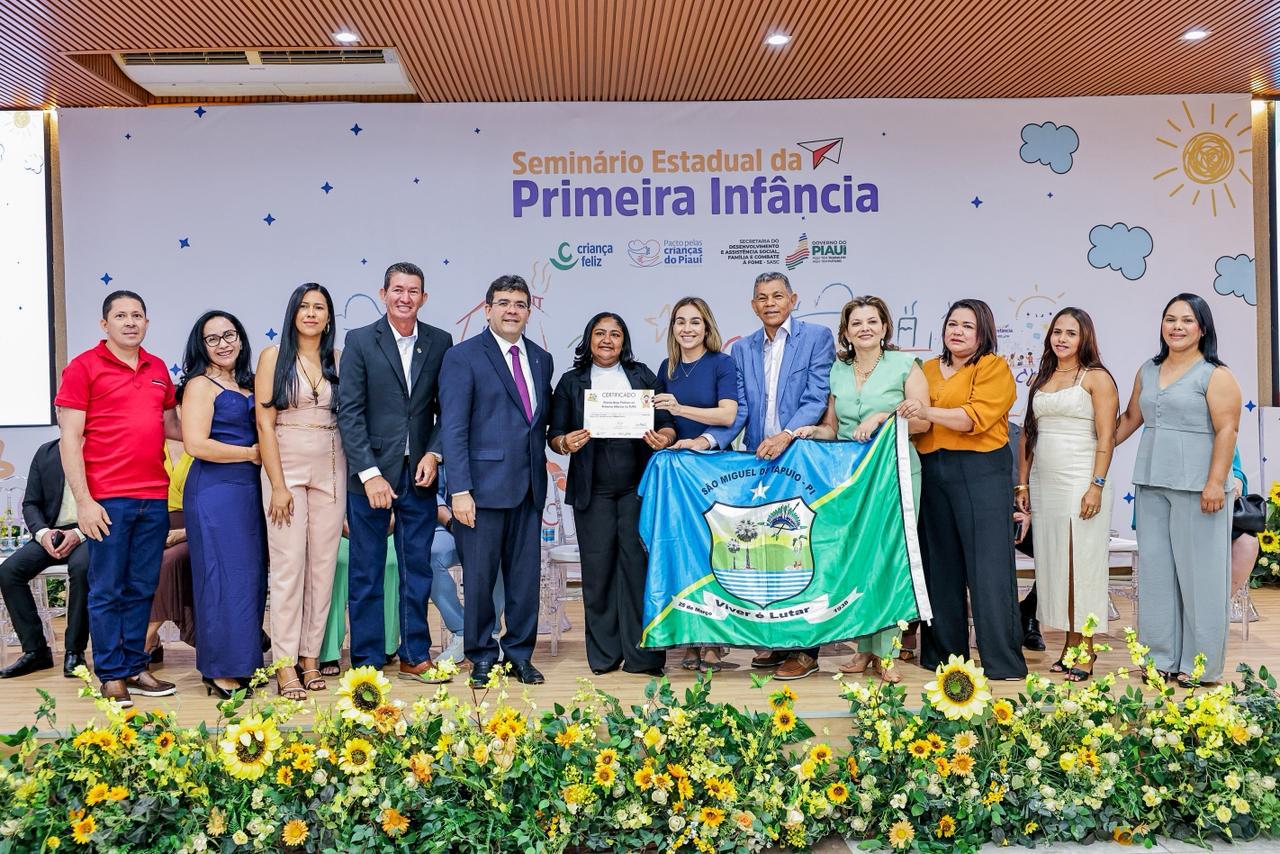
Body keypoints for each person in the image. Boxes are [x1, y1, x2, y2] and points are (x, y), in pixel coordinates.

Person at [703, 272, 834, 681]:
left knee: (803, 548)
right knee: (771, 553)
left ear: (793, 300)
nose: (770, 303)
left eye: (778, 296)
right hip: (760, 462)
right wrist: (708, 442)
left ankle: (806, 650)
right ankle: (779, 641)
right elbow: (739, 409)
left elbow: (816, 396)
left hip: (802, 459)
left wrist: (786, 436)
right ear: (753, 305)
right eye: (762, 297)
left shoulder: (817, 337)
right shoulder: (742, 348)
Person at [794, 296, 930, 683]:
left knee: (889, 560)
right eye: (856, 323)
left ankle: (887, 653)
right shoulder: (838, 370)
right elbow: (833, 428)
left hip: (895, 474)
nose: (865, 328)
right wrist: (812, 432)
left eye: (872, 321)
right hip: (853, 480)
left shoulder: (905, 365)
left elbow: (923, 422)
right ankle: (864, 649)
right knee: (860, 560)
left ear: (885, 327)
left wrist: (883, 416)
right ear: (847, 332)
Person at [56, 290, 181, 707]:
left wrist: (232, 428)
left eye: (137, 315)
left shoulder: (157, 368)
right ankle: (111, 674)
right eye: (121, 315)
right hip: (107, 500)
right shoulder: (83, 367)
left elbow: (173, 426)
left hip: (153, 496)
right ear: (104, 323)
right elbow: (70, 439)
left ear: (147, 322)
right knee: (108, 589)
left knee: (142, 587)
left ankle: (134, 666)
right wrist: (84, 502)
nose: (130, 322)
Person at [1115, 293, 1240, 686]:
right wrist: (1095, 451)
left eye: (1187, 320)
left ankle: (1200, 665)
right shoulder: (1148, 370)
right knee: (1156, 574)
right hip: (1152, 483)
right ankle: (1159, 659)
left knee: (1201, 578)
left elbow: (1227, 430)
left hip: (1200, 488)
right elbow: (1131, 418)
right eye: (1170, 319)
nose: (1177, 327)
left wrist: (1215, 482)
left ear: (1202, 328)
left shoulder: (1215, 374)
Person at [898, 298, 1026, 680]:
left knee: (988, 569)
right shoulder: (925, 368)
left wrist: (925, 411)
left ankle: (1002, 662)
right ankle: (943, 657)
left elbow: (973, 418)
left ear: (983, 333)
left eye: (967, 326)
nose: (957, 331)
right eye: (952, 324)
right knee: (939, 566)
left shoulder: (992, 367)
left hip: (980, 471)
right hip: (931, 469)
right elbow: (909, 419)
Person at [338, 262, 453, 682]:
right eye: (398, 290)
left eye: (413, 291)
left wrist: (434, 454)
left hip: (419, 475)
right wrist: (369, 474)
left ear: (424, 297)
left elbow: (447, 410)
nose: (405, 298)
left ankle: (414, 653)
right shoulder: (360, 340)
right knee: (367, 570)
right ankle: (367, 661)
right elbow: (349, 413)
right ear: (383, 293)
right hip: (371, 477)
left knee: (416, 568)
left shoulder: (440, 342)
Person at [440, 274, 554, 688]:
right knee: (480, 580)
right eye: (503, 303)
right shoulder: (463, 357)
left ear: (529, 312)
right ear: (487, 309)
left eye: (520, 304)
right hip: (481, 492)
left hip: (529, 489)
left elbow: (537, 424)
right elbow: (453, 428)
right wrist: (459, 490)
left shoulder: (541, 358)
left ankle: (520, 655)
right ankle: (482, 656)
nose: (512, 310)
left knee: (524, 582)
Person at [548, 312, 675, 677]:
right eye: (600, 333)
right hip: (593, 491)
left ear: (624, 341)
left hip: (638, 489)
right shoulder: (571, 382)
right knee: (598, 571)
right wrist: (565, 442)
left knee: (638, 570)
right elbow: (554, 434)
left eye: (615, 334)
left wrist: (664, 438)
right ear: (589, 339)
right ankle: (605, 655)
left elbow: (667, 424)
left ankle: (643, 656)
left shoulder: (642, 376)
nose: (607, 340)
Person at [1015, 307, 1118, 682]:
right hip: (1045, 484)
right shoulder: (1042, 377)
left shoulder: (1097, 378)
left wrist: (1097, 485)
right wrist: (1023, 483)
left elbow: (1107, 436)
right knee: (1057, 566)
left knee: (1083, 564)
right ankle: (1069, 646)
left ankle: (1086, 648)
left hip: (1081, 480)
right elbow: (1028, 432)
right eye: (1057, 331)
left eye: (1071, 333)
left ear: (1084, 338)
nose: (1062, 338)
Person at [256, 283, 347, 699]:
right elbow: (264, 423)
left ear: (328, 317)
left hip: (332, 466)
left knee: (323, 567)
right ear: (293, 313)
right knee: (289, 566)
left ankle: (311, 657)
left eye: (319, 307)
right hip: (286, 468)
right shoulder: (273, 357)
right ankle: (284, 663)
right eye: (305, 306)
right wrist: (277, 485)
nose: (311, 313)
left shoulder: (338, 359)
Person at [179, 310, 267, 700]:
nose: (223, 344)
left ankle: (244, 661)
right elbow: (196, 444)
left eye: (229, 335)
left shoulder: (249, 383)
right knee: (220, 577)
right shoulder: (200, 385)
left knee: (248, 578)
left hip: (249, 491)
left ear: (241, 339)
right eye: (212, 338)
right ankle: (218, 668)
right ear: (201, 346)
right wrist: (249, 454)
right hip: (215, 492)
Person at [653, 296, 740, 671]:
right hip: (679, 472)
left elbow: (728, 415)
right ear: (672, 328)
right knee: (684, 552)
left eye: (695, 321)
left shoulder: (722, 363)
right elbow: (663, 421)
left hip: (714, 469)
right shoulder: (667, 367)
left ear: (707, 327)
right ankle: (690, 637)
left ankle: (714, 640)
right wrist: (665, 435)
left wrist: (680, 410)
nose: (687, 328)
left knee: (713, 552)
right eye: (680, 321)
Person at [0, 437, 89, 678]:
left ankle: (75, 651)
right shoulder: (46, 452)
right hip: (50, 532)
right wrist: (42, 533)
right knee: (9, 572)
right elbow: (31, 503)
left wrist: (79, 534)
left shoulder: (102, 447)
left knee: (82, 569)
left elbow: (112, 502)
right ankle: (36, 651)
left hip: (89, 533)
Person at [144, 439, 196, 663]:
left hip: (195, 528)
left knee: (167, 561)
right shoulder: (154, 442)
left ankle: (144, 642)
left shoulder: (201, 443)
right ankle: (151, 641)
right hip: (156, 526)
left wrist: (185, 533)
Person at [1229, 449, 1260, 623]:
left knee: (1248, 542)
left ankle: (1217, 606)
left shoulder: (1224, 434)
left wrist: (1237, 481)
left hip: (1220, 508)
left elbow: (1236, 469)